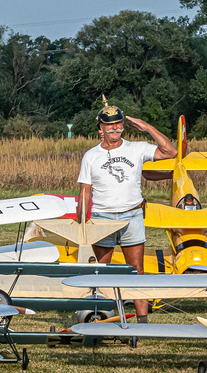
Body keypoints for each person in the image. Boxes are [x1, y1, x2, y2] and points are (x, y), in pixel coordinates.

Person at [74, 101, 177, 321]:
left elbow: (171, 151)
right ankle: (97, 315)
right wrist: (82, 223)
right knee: (101, 270)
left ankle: (142, 322)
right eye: (109, 124)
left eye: (118, 123)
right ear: (100, 128)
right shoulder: (90, 156)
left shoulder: (137, 148)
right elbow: (84, 192)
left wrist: (147, 127)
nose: (115, 128)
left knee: (137, 270)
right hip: (102, 219)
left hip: (132, 216)